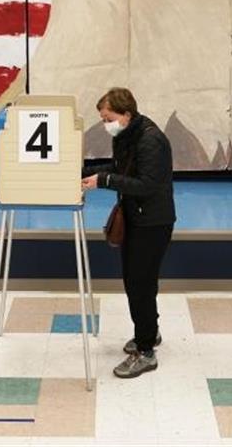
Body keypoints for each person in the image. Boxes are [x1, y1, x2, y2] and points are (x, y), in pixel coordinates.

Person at [82, 88, 176, 379]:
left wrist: (104, 180)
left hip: (152, 224)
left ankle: (146, 351)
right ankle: (150, 332)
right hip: (137, 220)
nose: (105, 124)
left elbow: (146, 184)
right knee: (136, 282)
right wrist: (89, 172)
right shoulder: (128, 135)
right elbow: (122, 168)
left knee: (140, 284)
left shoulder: (151, 140)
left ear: (126, 114)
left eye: (108, 118)